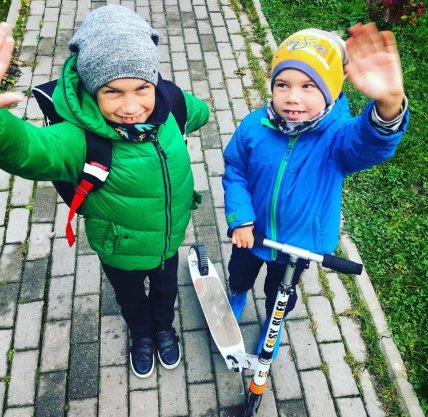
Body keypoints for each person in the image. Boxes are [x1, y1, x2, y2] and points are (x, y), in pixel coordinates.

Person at [0, 5, 209, 378]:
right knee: (130, 297)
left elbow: (200, 112)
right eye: (112, 92)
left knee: (166, 292)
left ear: (154, 82)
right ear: (92, 89)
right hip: (118, 247)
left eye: (142, 88)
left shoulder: (171, 104)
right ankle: (141, 334)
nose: (131, 107)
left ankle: (163, 327)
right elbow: (31, 151)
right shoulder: (79, 138)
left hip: (168, 238)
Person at [222, 23, 409, 358]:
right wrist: (241, 219)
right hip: (252, 235)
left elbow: (367, 144)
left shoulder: (337, 139)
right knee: (239, 273)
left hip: (297, 245)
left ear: (331, 91)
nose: (293, 96)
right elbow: (235, 169)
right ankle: (236, 297)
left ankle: (273, 323)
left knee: (281, 293)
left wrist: (389, 104)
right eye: (283, 84)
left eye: (309, 86)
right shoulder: (254, 126)